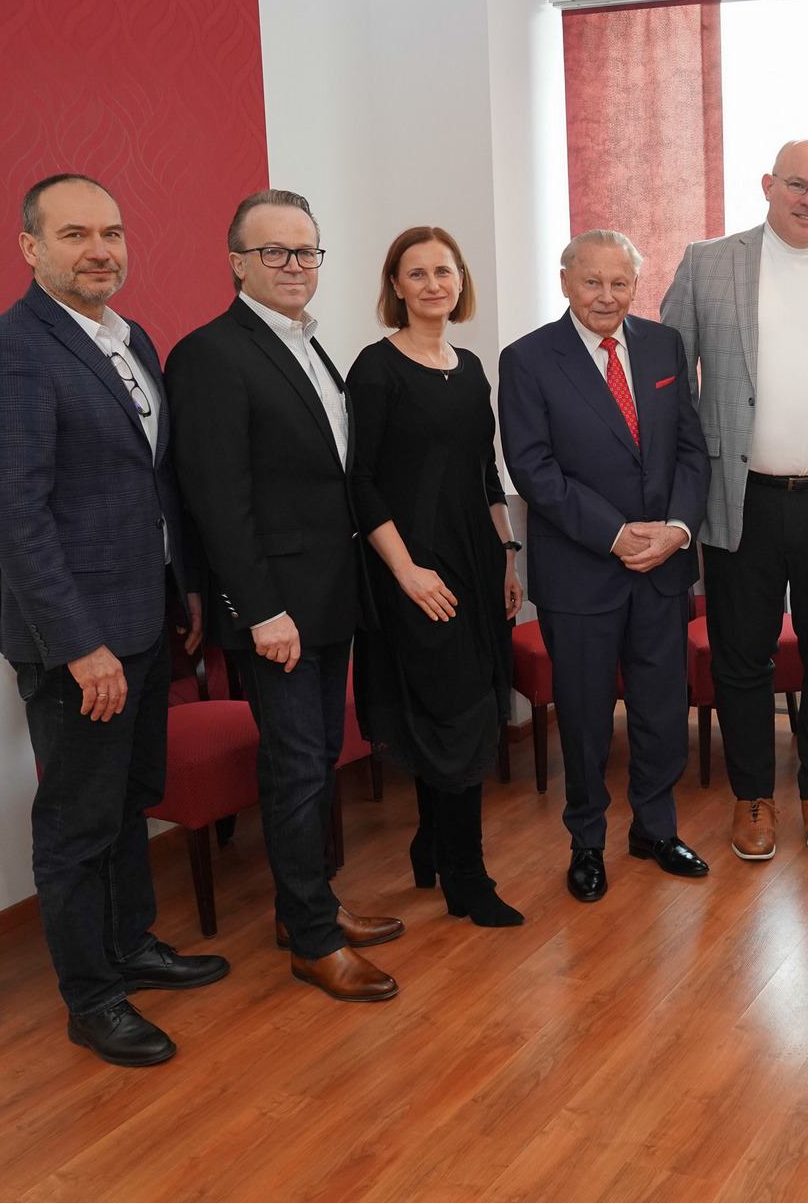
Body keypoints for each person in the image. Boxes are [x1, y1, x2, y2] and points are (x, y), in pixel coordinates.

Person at [0, 173, 225, 1067]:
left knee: (128, 801)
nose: (99, 250)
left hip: (145, 615)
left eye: (110, 232)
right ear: (31, 248)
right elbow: (15, 520)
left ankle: (131, 945)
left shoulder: (129, 338)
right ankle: (92, 997)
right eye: (74, 235)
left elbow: (151, 480)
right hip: (79, 641)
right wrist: (80, 646)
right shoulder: (7, 357)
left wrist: (184, 586)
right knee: (76, 825)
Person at [167, 189, 403, 1004]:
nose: (294, 264)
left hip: (329, 595)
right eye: (274, 251)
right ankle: (311, 940)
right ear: (238, 263)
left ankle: (310, 907)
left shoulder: (308, 344)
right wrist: (260, 611)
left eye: (306, 250)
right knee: (297, 766)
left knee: (316, 759)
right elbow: (217, 500)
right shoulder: (210, 354)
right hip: (278, 610)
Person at [661, 139, 808, 862]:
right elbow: (666, 381)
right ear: (768, 185)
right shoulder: (708, 264)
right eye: (797, 185)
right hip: (741, 501)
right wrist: (679, 492)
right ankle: (753, 799)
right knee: (742, 659)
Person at [502, 230, 711, 901]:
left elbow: (691, 450)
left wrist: (678, 530)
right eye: (592, 281)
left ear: (635, 285)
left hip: (662, 568)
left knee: (661, 710)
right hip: (581, 572)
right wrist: (615, 535)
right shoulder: (527, 358)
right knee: (586, 718)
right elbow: (533, 469)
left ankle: (655, 829)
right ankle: (586, 842)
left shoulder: (663, 346)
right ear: (565, 281)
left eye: (620, 282)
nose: (606, 296)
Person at [348, 226, 524, 926]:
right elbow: (360, 482)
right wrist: (407, 572)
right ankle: (466, 877)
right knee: (452, 714)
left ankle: (431, 844)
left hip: (477, 563)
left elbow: (486, 472)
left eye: (443, 271)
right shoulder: (375, 368)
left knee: (468, 704)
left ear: (460, 281)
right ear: (395, 285)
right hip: (416, 568)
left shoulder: (471, 366)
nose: (432, 284)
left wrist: (508, 554)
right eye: (416, 273)